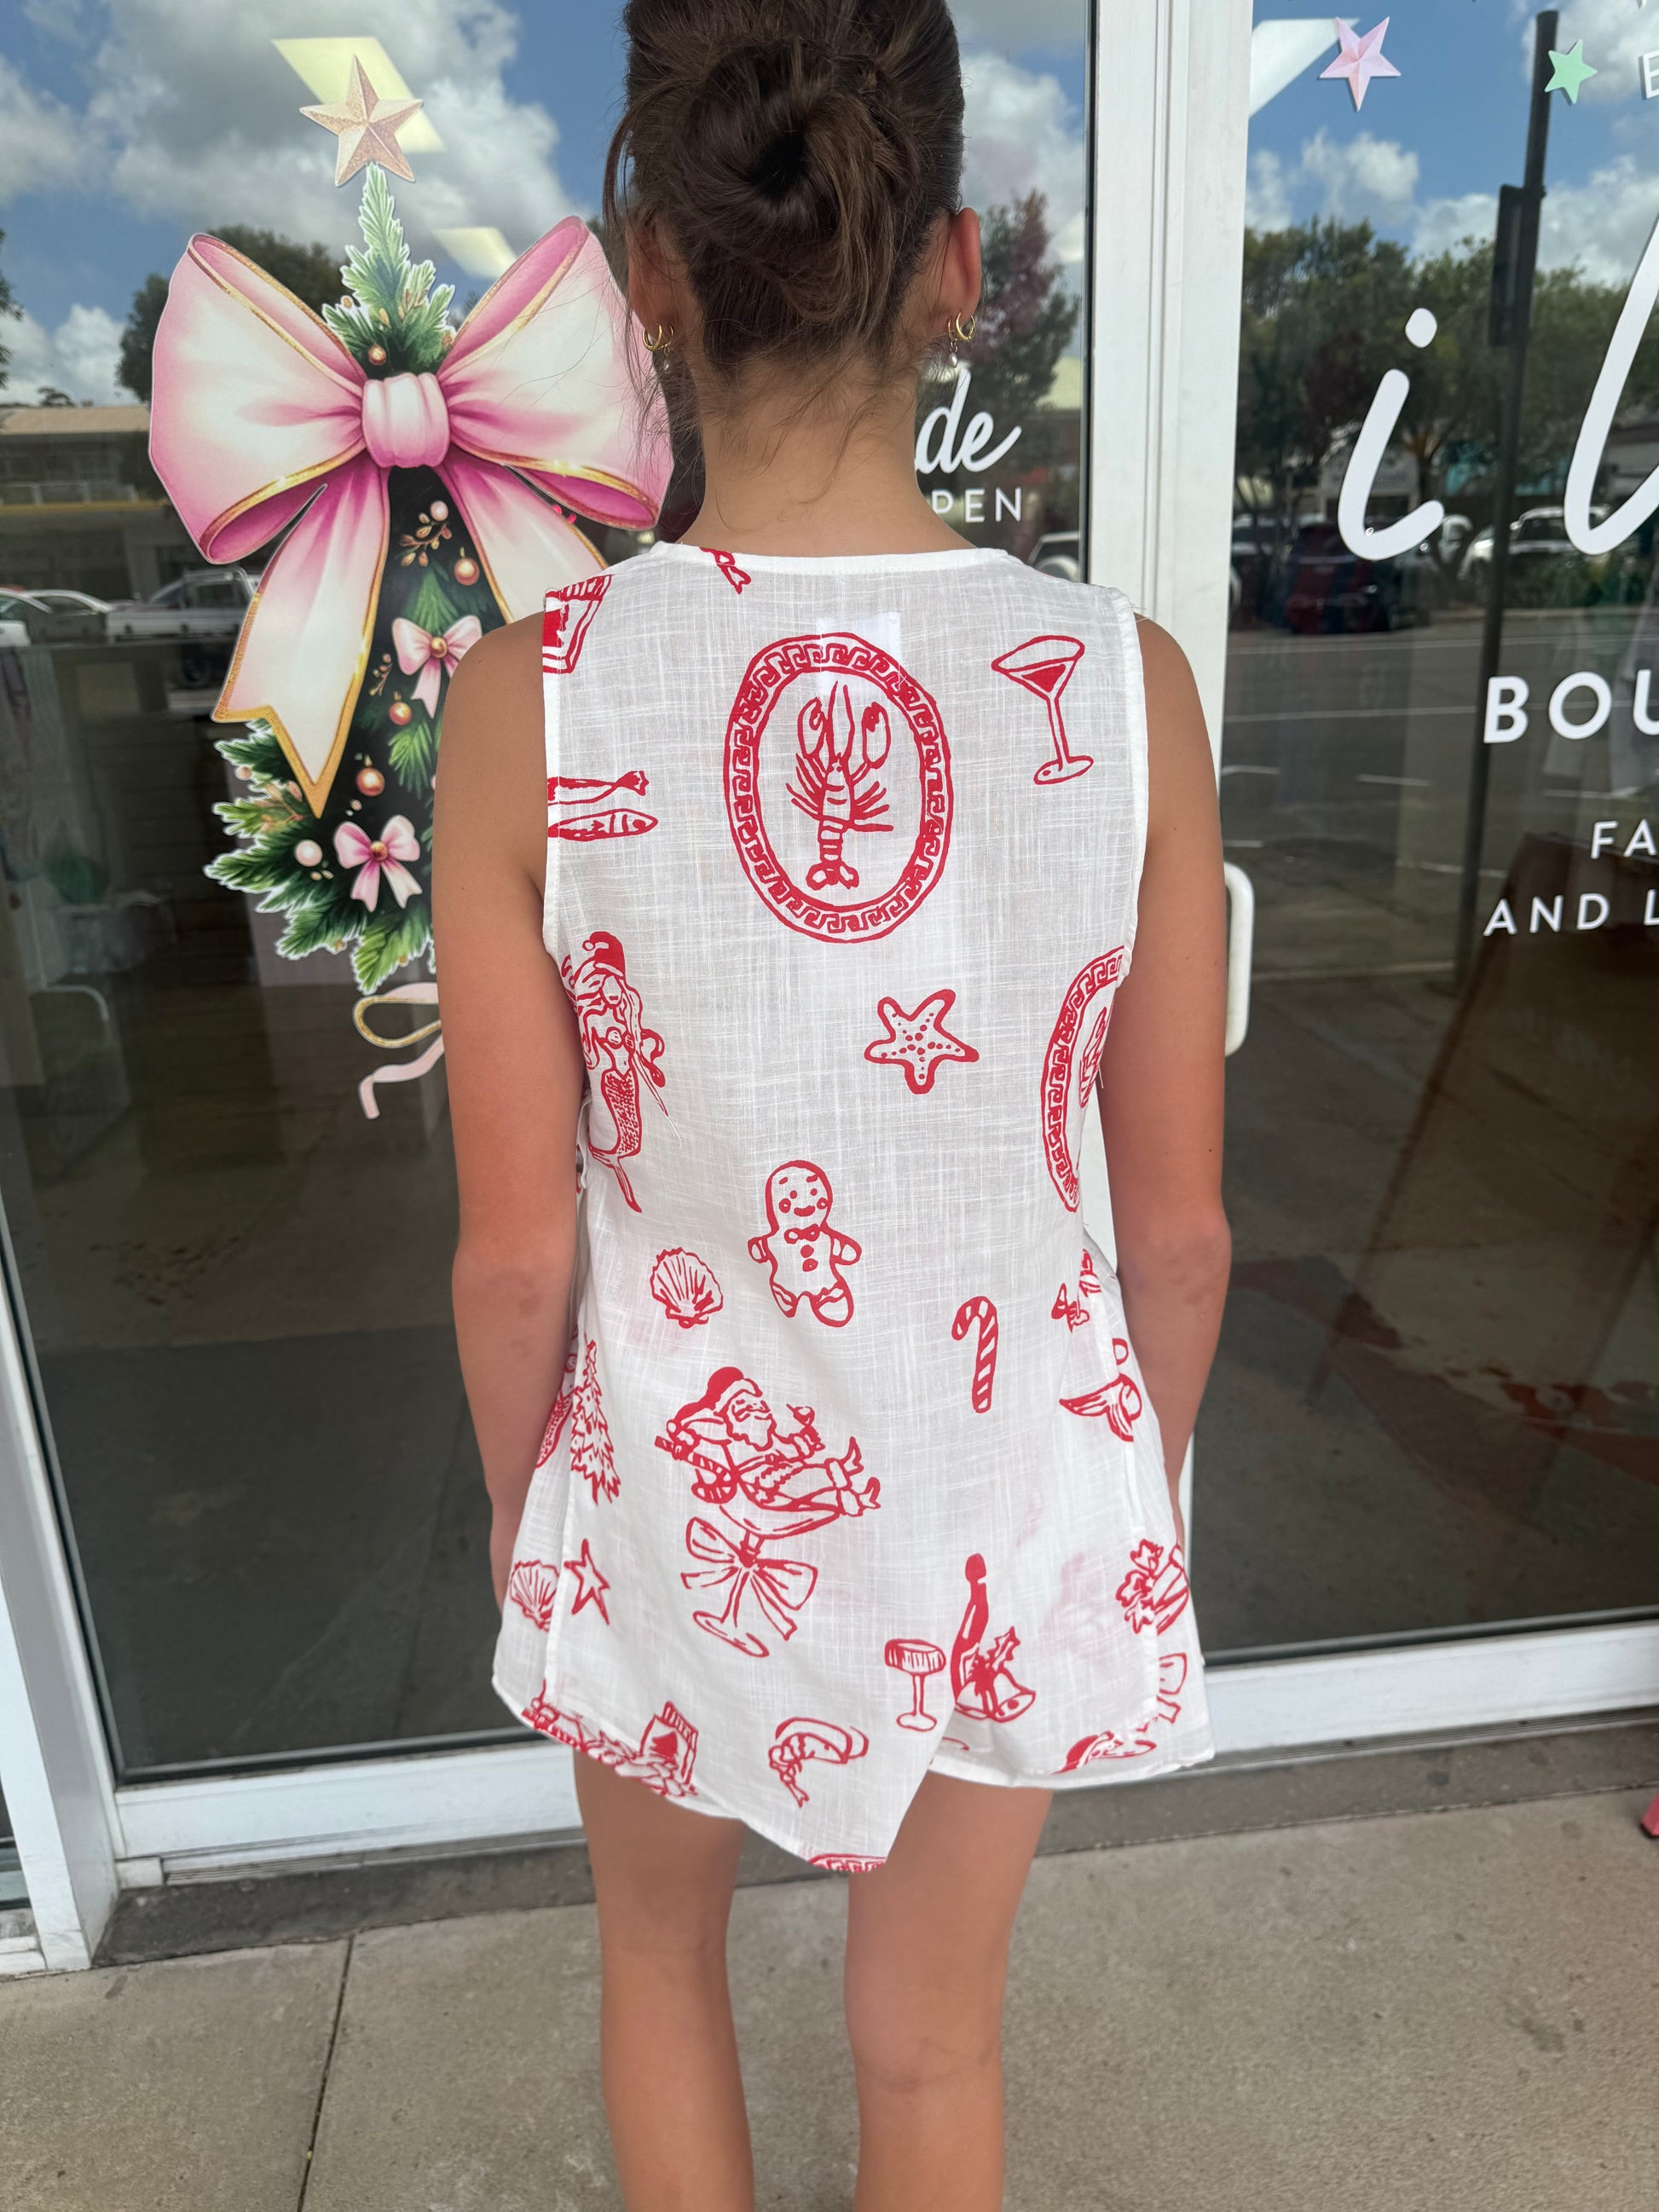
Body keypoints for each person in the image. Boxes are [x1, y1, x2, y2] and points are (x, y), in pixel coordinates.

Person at [432, 1, 1230, 2203]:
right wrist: (1124, 1496)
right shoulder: (1124, 690)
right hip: (1005, 1499)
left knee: (655, 1959)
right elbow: (1175, 1237)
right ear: (956, 269)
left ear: (651, 277)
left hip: (680, 1489)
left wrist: (528, 1517)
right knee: (930, 2045)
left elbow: (512, 1257)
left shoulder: (534, 703)